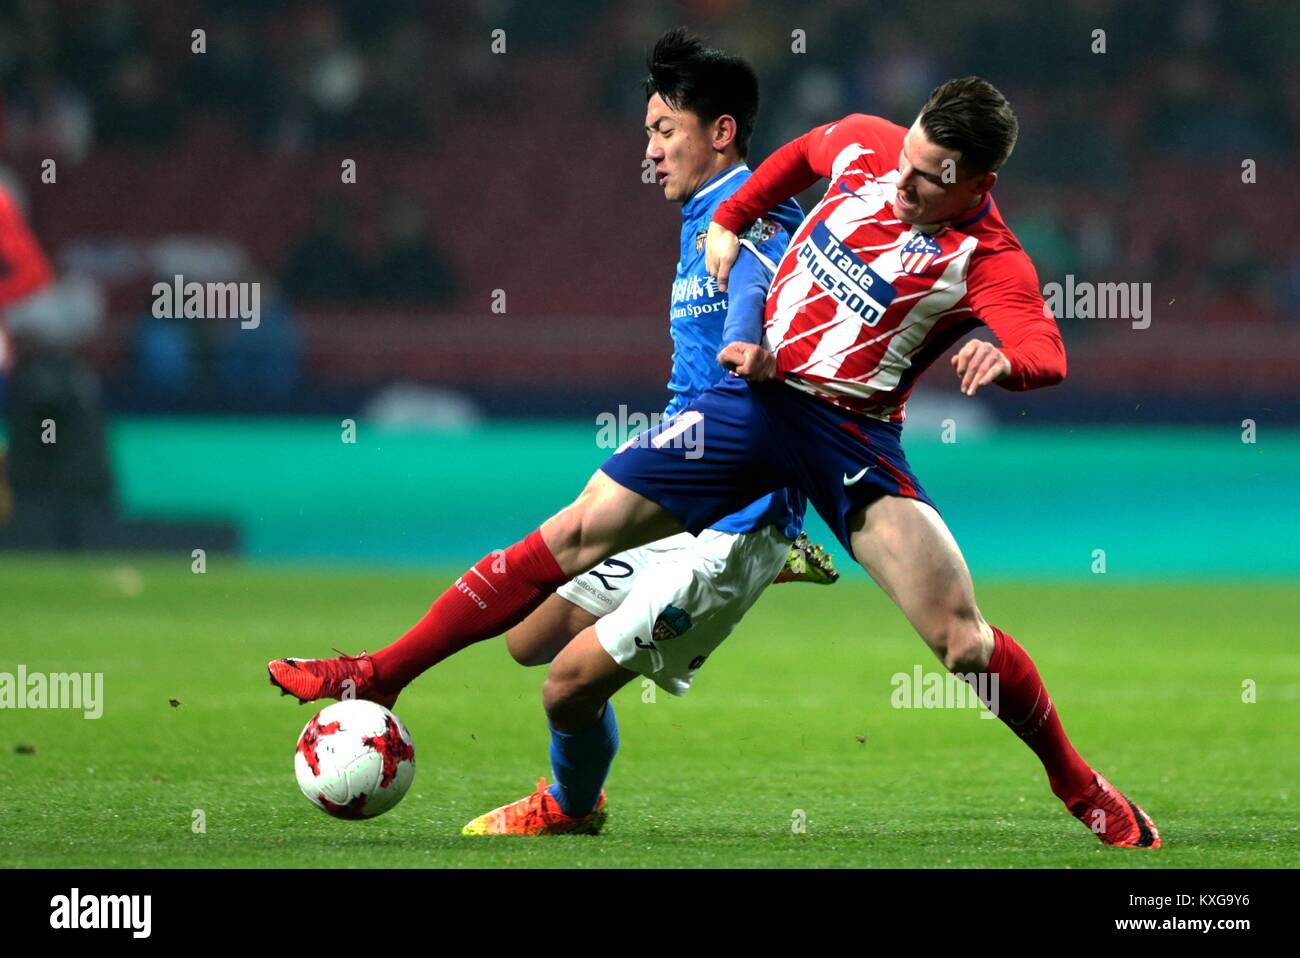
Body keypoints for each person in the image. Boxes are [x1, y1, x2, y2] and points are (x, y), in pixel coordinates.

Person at [270, 75, 1161, 849]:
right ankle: (377, 674)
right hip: (750, 405)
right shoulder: (865, 146)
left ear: (979, 183)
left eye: (932, 179)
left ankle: (1078, 785)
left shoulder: (987, 258)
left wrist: (1010, 364)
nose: (906, 183)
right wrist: (732, 220)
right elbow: (795, 160)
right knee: (576, 534)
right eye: (910, 157)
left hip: (849, 440)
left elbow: (1048, 350)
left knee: (961, 640)